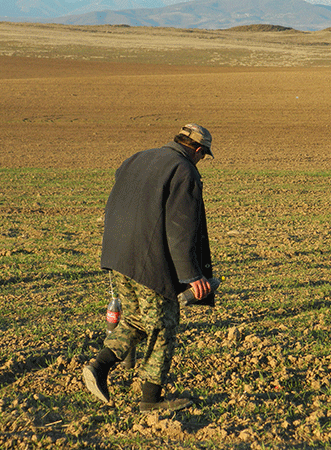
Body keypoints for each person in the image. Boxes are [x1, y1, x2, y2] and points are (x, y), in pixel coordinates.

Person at [83, 123, 216, 413]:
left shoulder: (136, 158)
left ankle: (99, 366)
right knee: (164, 325)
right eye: (203, 155)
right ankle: (151, 400)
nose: (201, 160)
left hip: (118, 253)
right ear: (197, 149)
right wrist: (192, 276)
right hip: (149, 259)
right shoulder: (184, 170)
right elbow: (181, 228)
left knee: (135, 319)